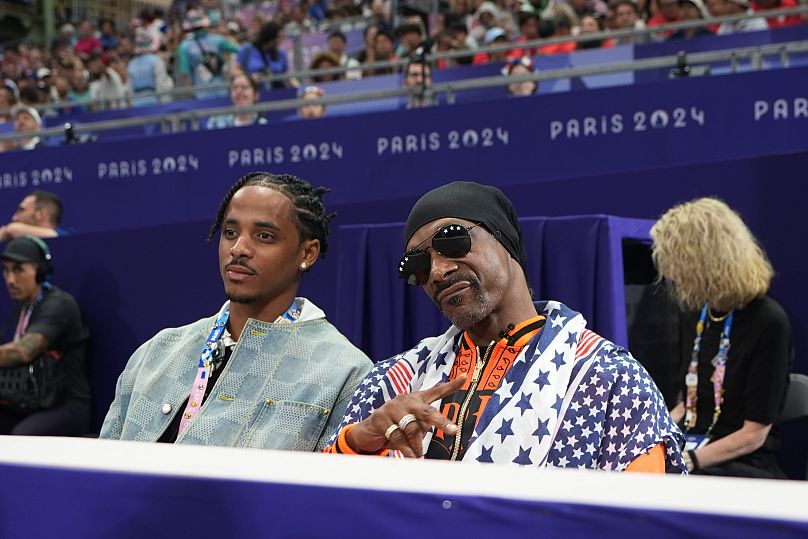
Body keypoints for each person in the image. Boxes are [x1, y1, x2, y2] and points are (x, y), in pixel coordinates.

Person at [325, 181, 684, 473]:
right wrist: (360, 440)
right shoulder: (392, 381)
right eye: (417, 264)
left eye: (451, 239)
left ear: (505, 239)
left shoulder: (607, 379)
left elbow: (645, 516)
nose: (437, 271)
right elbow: (320, 501)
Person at [99, 173, 373, 448]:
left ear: (307, 254)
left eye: (264, 236)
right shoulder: (156, 352)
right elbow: (99, 471)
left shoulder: (344, 371)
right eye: (230, 233)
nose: (239, 248)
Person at [650, 198, 792, 478]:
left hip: (742, 464)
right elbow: (687, 404)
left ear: (703, 259)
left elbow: (754, 434)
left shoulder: (768, 322)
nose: (668, 272)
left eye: (675, 260)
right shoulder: (698, 316)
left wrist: (689, 460)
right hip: (695, 448)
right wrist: (653, 437)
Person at [0, 237, 91, 435]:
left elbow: (23, 351)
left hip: (68, 405)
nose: (10, 279)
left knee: (21, 438)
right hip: (31, 400)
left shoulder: (59, 304)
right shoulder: (23, 307)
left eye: (18, 269)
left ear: (40, 272)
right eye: (6, 270)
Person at [177, 9, 240, 99]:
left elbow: (185, 74)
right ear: (205, 24)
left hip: (200, 94)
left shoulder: (184, 46)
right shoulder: (218, 40)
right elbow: (241, 50)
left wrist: (189, 95)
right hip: (222, 90)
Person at [236, 21, 292, 89]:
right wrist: (249, 78)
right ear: (271, 38)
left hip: (276, 94)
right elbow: (234, 70)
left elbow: (288, 76)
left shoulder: (281, 53)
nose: (281, 40)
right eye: (279, 37)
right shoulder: (247, 49)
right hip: (253, 92)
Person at [128, 28, 174, 107]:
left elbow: (130, 88)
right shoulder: (156, 60)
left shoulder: (131, 63)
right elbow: (161, 85)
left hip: (136, 105)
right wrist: (164, 105)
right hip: (153, 103)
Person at [0, 191, 67, 242]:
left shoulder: (67, 237)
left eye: (22, 210)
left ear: (41, 215)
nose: (14, 218)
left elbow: (13, 229)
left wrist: (8, 230)